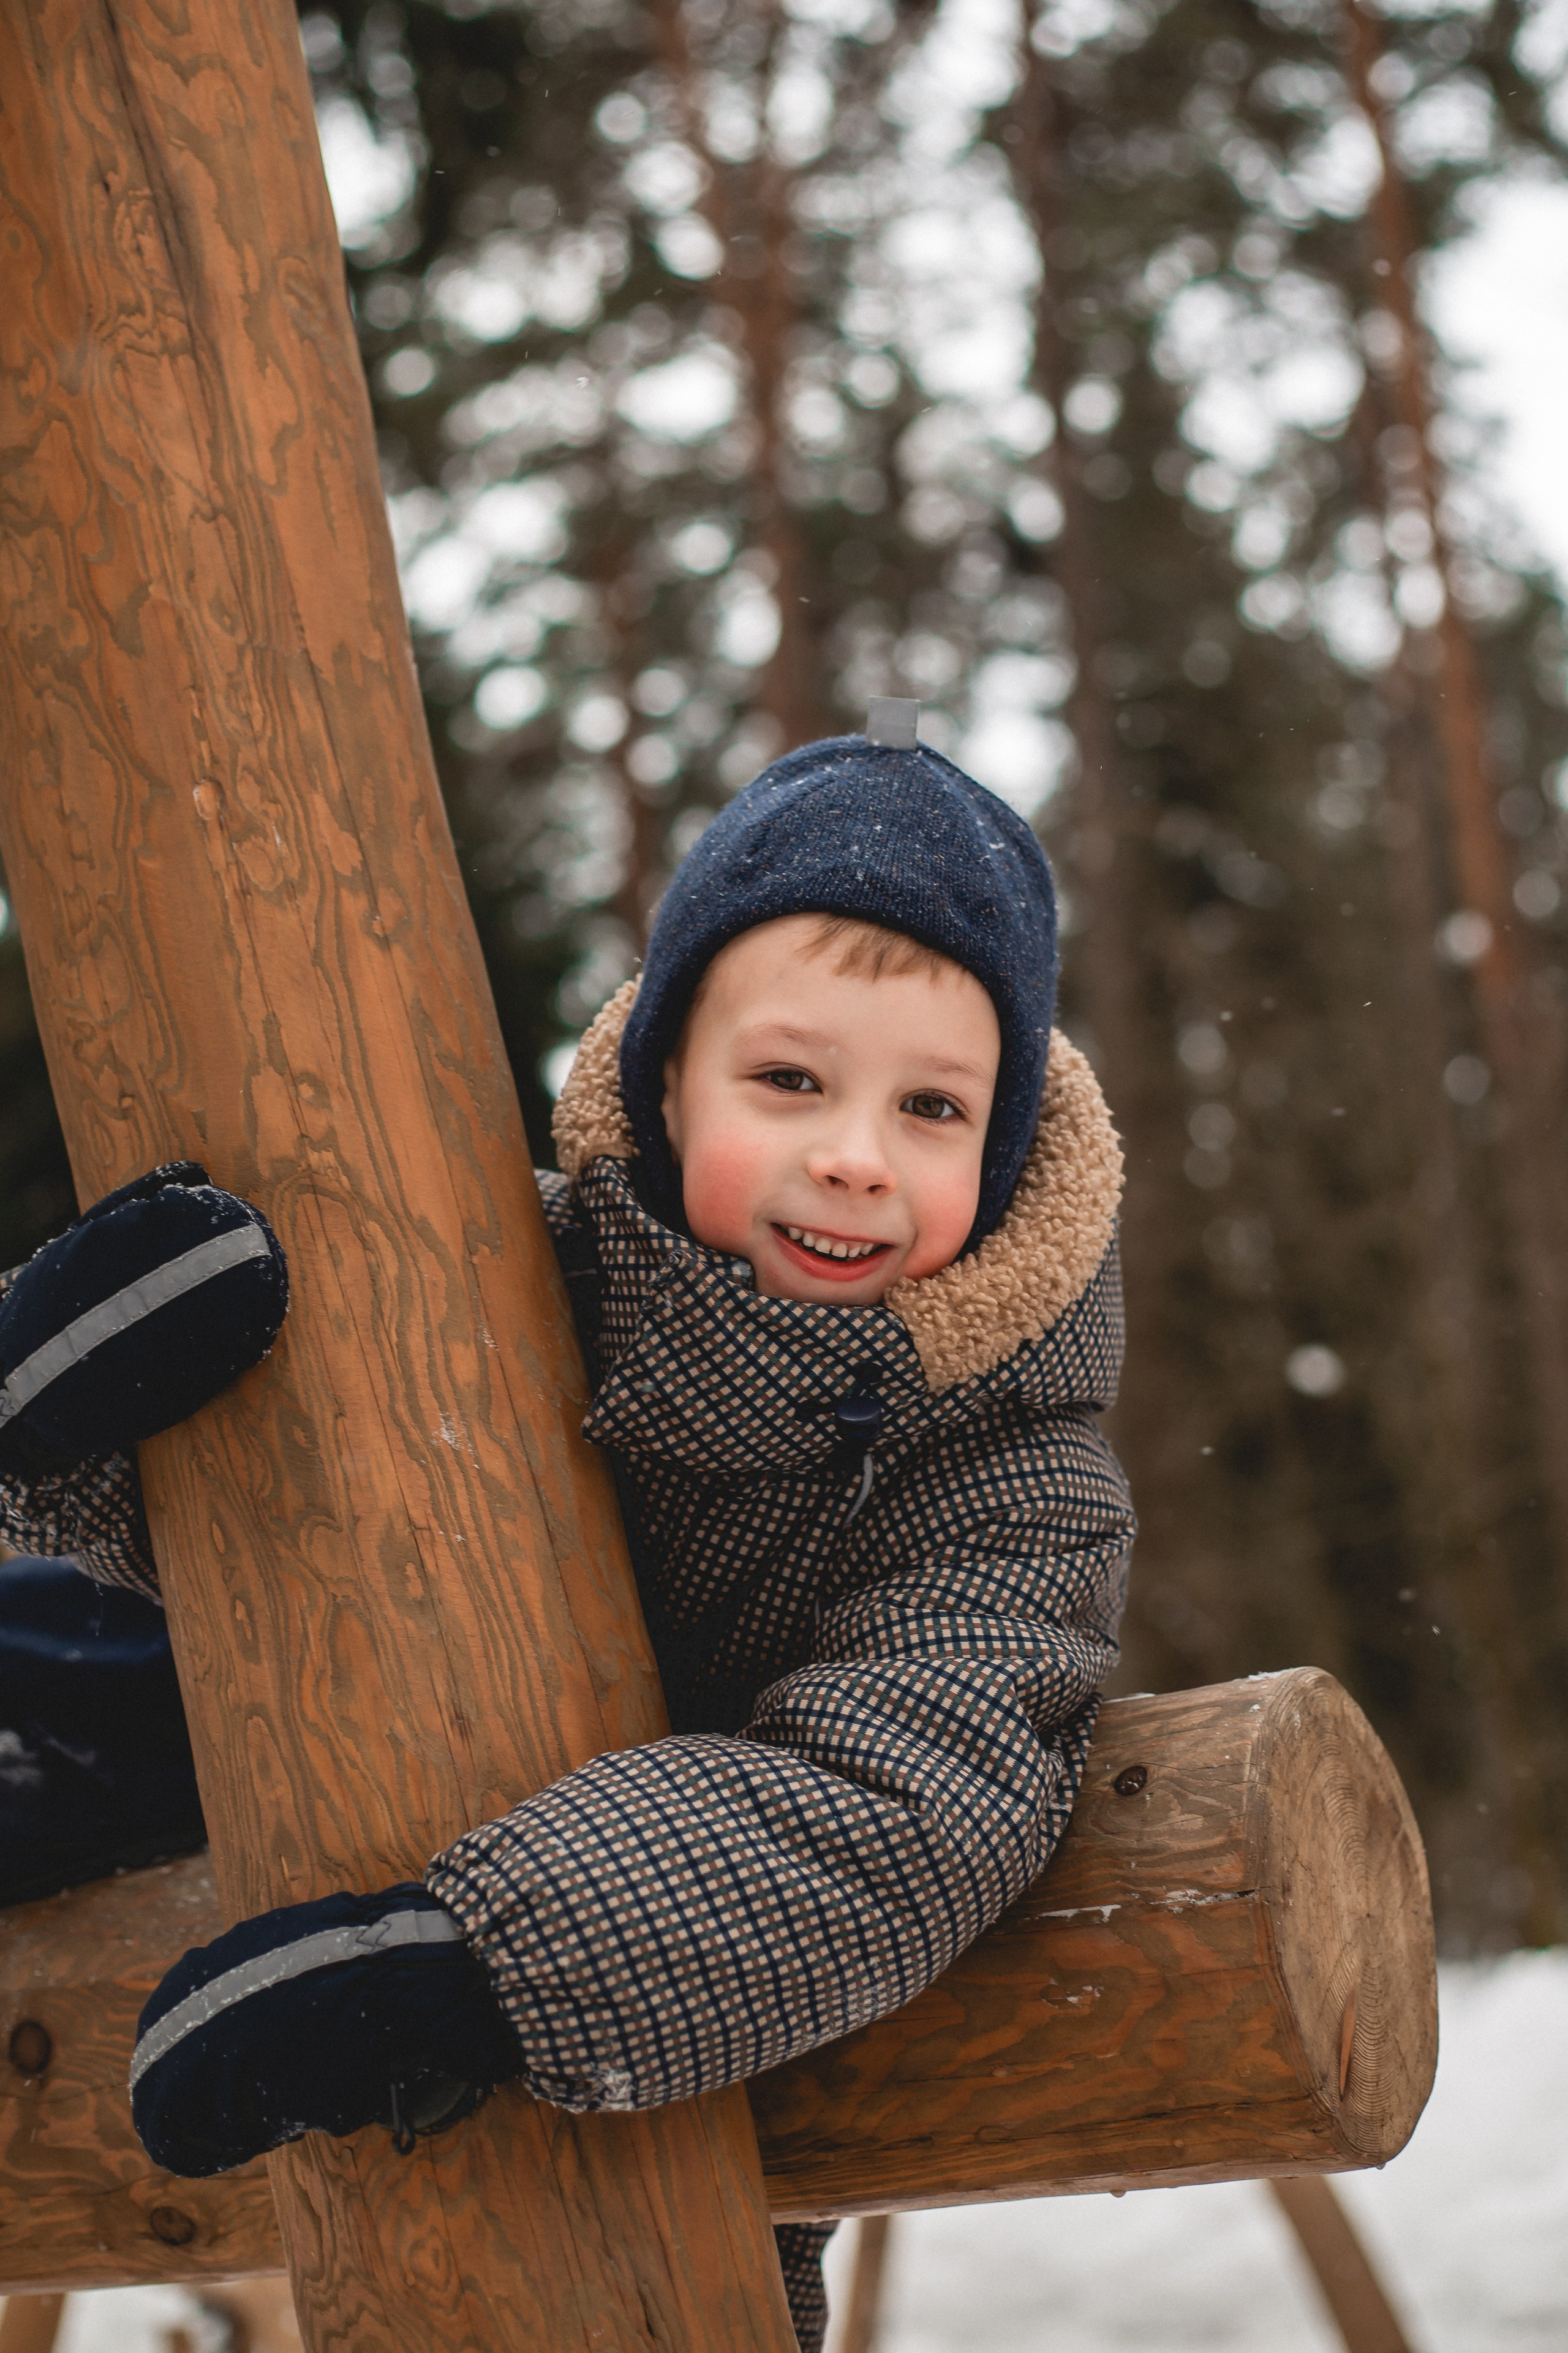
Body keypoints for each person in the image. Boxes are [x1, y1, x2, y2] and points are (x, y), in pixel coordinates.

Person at [0, 719, 1133, 2352]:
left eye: (937, 1108)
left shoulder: (1010, 1480)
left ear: (1007, 1146)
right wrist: (86, 1424)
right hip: (245, 1768)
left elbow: (916, 1791)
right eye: (792, 1078)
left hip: (648, 2100)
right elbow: (288, 1534)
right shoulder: (498, 1279)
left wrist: (469, 1968)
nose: (855, 1154)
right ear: (668, 1078)